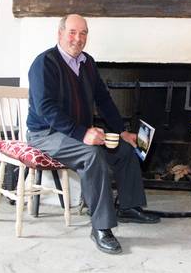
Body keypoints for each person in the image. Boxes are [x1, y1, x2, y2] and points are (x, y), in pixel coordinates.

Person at [27, 14, 160, 255]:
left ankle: (129, 207)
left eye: (83, 33)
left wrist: (122, 131)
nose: (78, 38)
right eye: (72, 32)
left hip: (77, 133)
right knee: (92, 155)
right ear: (60, 33)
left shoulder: (87, 63)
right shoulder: (44, 63)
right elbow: (45, 109)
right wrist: (82, 133)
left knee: (125, 148)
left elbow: (104, 100)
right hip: (46, 134)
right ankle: (101, 227)